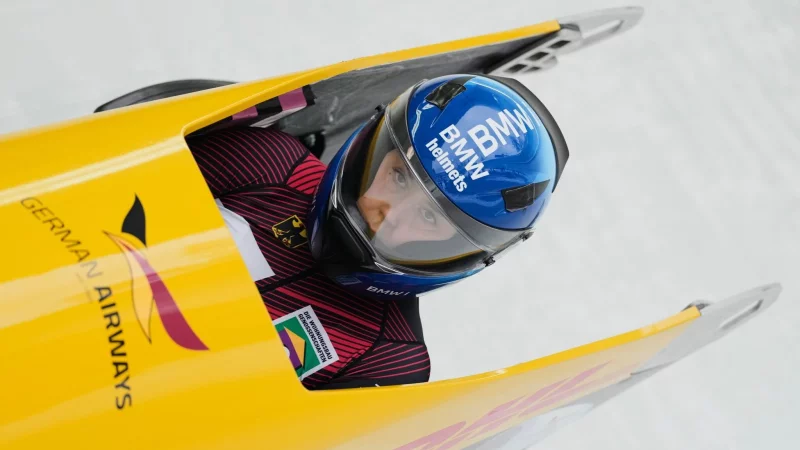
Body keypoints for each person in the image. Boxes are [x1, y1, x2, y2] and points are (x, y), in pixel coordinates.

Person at [186, 74, 568, 390]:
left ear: (459, 252)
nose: (390, 215)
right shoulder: (265, 162)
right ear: (374, 148)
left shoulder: (387, 357)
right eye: (398, 177)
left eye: (430, 217)